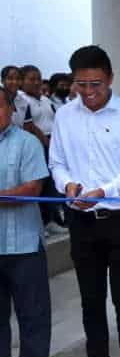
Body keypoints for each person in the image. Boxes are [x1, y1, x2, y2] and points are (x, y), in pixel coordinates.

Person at [49, 45, 120, 357]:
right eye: (81, 85)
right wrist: (68, 186)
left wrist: (104, 190)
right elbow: (57, 162)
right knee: (91, 300)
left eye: (96, 85)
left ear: (110, 79)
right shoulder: (64, 115)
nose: (89, 93)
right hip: (82, 221)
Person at [0, 87, 51, 357]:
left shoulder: (28, 143)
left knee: (33, 321)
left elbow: (31, 189)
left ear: (11, 109)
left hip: (25, 247)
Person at [20, 65, 64, 234]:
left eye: (38, 78)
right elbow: (29, 126)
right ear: (23, 81)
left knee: (51, 185)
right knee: (37, 184)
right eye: (31, 79)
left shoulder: (46, 100)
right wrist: (46, 142)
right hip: (37, 145)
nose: (36, 82)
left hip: (52, 143)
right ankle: (38, 222)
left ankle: (51, 220)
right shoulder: (22, 100)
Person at [2, 66, 35, 132]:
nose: (14, 82)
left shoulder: (24, 102)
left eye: (18, 79)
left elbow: (27, 127)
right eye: (10, 78)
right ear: (3, 81)